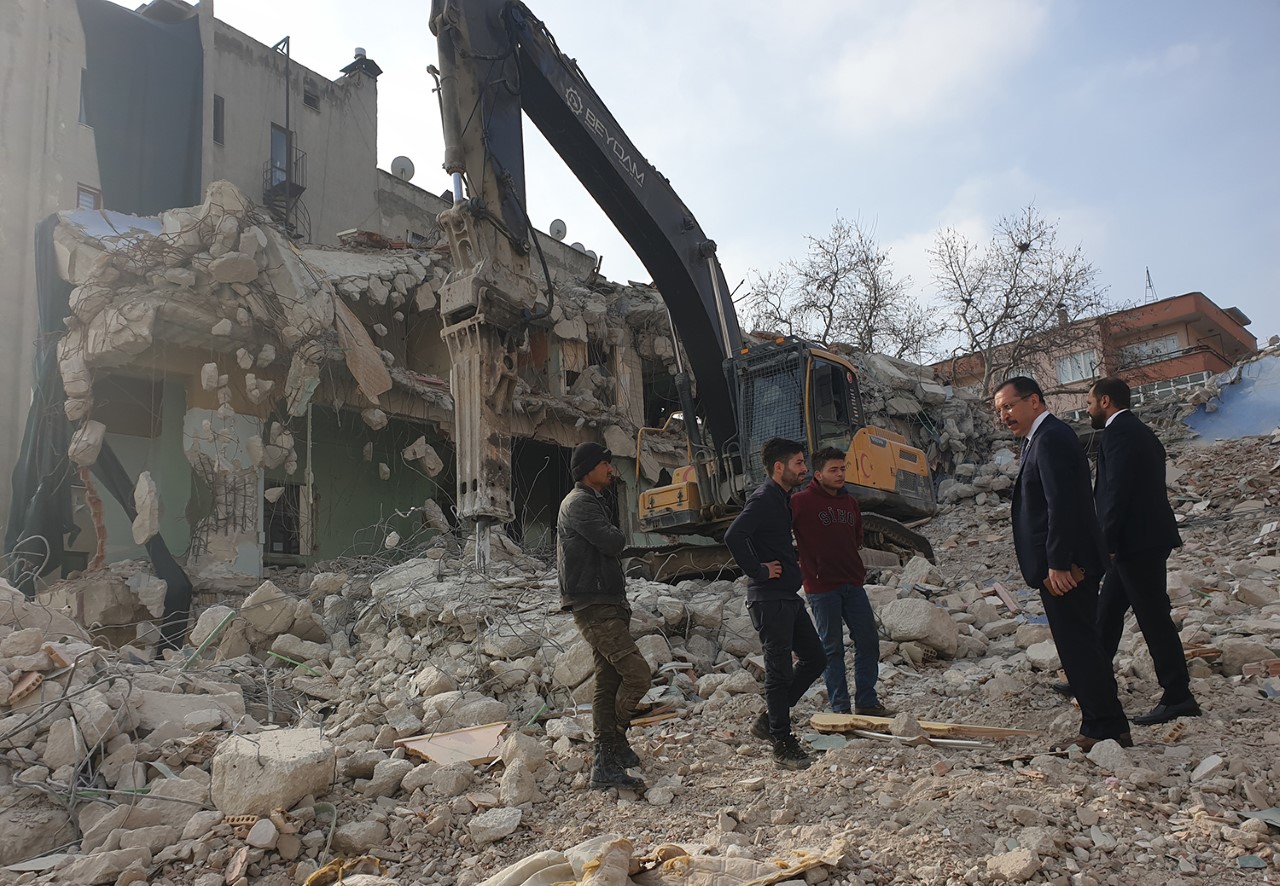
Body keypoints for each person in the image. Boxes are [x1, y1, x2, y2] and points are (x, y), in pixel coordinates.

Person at [995, 377, 1131, 750]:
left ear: (1034, 401)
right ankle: (1111, 724)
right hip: (1063, 563)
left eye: (1009, 406)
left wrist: (1057, 562)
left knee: (1079, 648)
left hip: (1067, 568)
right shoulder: (1039, 439)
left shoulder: (1051, 438)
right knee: (1083, 645)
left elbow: (1063, 505)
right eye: (1000, 411)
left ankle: (1101, 728)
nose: (1004, 416)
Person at [1087, 376, 1200, 725]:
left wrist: (1106, 542)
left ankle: (1178, 695)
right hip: (1139, 540)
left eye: (1089, 403)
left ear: (1105, 401)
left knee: (1153, 618)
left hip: (1136, 543)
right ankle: (1090, 679)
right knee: (1108, 611)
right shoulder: (1141, 432)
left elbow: (1117, 492)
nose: (1087, 410)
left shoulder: (1119, 433)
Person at [724, 437, 826, 770]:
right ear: (779, 467)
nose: (804, 469)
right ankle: (782, 743)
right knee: (778, 671)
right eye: (798, 463)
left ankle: (770, 720)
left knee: (815, 658)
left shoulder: (782, 499)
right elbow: (734, 536)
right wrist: (758, 569)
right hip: (769, 600)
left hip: (787, 597)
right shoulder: (765, 498)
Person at [557, 442, 650, 790]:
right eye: (605, 464)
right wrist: (617, 534)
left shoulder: (590, 501)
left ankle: (610, 751)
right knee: (638, 675)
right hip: (595, 605)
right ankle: (609, 749)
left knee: (608, 681)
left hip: (604, 602)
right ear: (588, 469)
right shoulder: (580, 503)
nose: (611, 470)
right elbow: (613, 542)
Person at [791, 446, 891, 717]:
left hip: (852, 584)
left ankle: (867, 701)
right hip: (822, 587)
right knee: (831, 648)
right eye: (833, 470)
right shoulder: (800, 502)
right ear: (818, 473)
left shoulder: (850, 503)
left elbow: (856, 539)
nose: (840, 474)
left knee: (868, 641)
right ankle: (840, 707)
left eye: (843, 469)